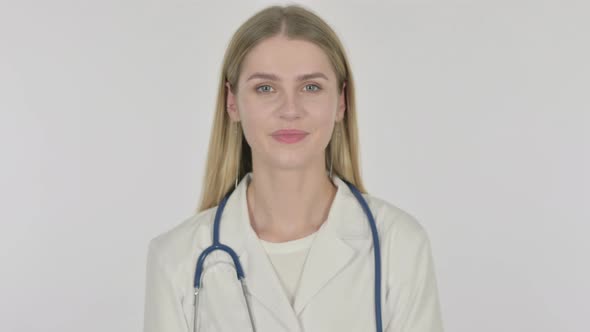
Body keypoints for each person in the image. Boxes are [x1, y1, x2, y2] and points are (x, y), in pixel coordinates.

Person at [143, 4, 444, 332]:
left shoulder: (398, 244)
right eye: (265, 88)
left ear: (341, 102)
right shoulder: (176, 259)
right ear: (232, 102)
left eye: (310, 87)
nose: (290, 109)